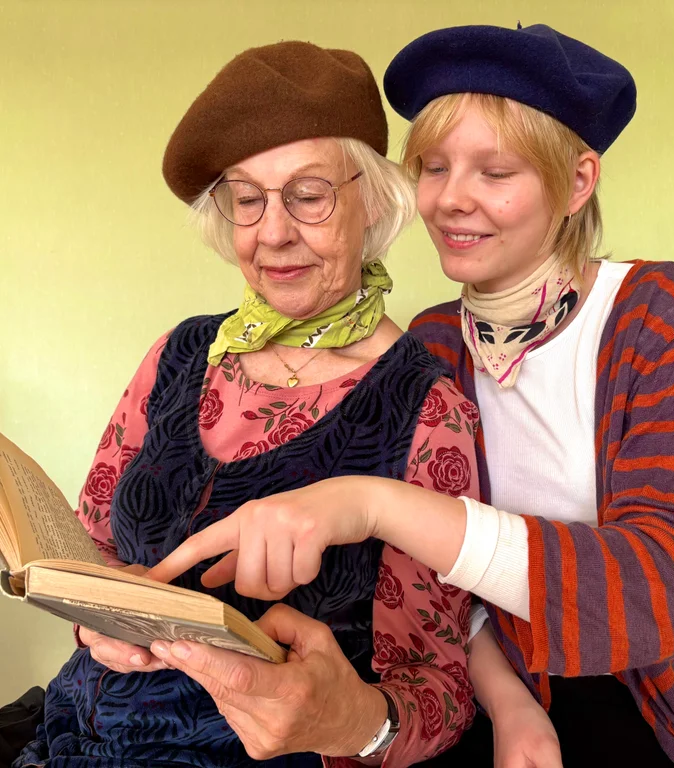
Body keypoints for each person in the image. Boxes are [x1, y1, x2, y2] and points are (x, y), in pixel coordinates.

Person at [151, 24, 674, 768]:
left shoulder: (657, 311)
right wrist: (511, 705)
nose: (449, 200)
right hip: (498, 686)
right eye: (434, 167)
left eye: (495, 172)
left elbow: (665, 586)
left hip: (662, 707)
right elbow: (444, 594)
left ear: (578, 181)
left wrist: (372, 502)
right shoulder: (435, 341)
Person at [14, 41, 485, 768]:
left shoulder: (427, 410)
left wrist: (352, 720)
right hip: (70, 730)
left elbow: (439, 688)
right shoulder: (178, 353)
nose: (273, 232)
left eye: (308, 194)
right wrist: (94, 624)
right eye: (248, 199)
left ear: (372, 198)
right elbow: (92, 546)